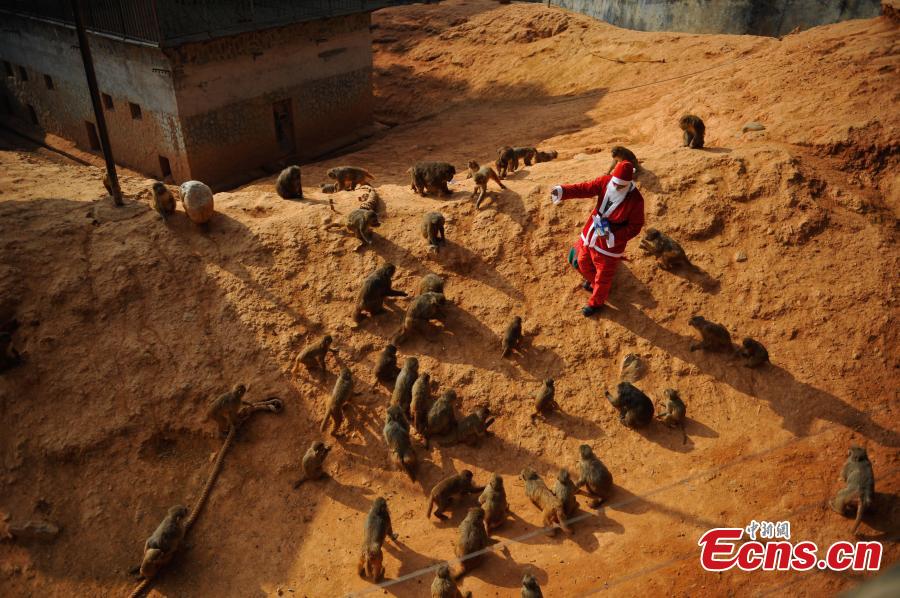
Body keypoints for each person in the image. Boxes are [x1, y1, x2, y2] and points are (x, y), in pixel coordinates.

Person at [550, 160, 645, 317]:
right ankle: (595, 284)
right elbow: (585, 188)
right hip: (592, 233)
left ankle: (596, 303)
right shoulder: (606, 181)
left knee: (603, 276)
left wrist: (613, 236)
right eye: (615, 183)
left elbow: (635, 227)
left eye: (621, 186)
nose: (616, 187)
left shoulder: (636, 200)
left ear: (628, 184)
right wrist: (562, 191)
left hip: (610, 246)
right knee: (581, 261)